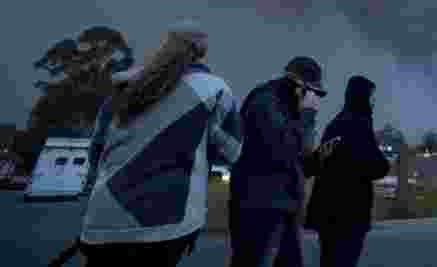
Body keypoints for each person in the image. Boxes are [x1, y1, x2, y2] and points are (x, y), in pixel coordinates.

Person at [79, 21, 243, 266]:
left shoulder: (122, 86)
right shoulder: (214, 90)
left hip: (102, 220)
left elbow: (96, 153)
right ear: (201, 52)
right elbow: (232, 152)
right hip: (164, 223)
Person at [229, 56, 335, 267]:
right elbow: (281, 151)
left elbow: (294, 162)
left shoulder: (288, 108)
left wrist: (317, 159)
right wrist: (307, 116)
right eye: (313, 92)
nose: (314, 100)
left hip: (284, 205)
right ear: (299, 87)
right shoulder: (265, 103)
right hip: (260, 205)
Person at [305, 75, 391, 267]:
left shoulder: (337, 123)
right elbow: (376, 165)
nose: (374, 102)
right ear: (363, 97)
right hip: (349, 212)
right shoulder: (359, 124)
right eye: (372, 97)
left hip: (328, 209)